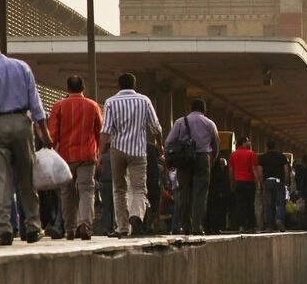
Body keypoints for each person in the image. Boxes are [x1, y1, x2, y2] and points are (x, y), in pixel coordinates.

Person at [0, 29, 51, 245]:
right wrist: (44, 130)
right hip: (21, 123)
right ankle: (33, 226)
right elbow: (35, 102)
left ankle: (4, 229)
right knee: (26, 177)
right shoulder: (21, 67)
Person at [98, 73, 163, 237]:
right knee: (139, 188)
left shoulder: (110, 102)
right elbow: (156, 128)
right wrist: (159, 145)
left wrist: (99, 153)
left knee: (119, 189)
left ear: (118, 85)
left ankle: (123, 228)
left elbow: (105, 131)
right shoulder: (144, 101)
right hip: (138, 151)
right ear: (135, 85)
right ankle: (135, 216)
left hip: (117, 149)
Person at [48, 75, 102, 240]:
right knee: (86, 190)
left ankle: (69, 228)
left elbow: (53, 134)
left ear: (68, 88)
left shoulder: (59, 106)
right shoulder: (92, 106)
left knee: (67, 192)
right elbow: (99, 131)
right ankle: (84, 224)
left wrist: (50, 152)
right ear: (83, 88)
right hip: (87, 155)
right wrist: (98, 152)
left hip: (65, 157)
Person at [165, 99, 219, 235]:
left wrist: (172, 159)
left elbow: (169, 142)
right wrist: (211, 160)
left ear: (190, 108)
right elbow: (216, 144)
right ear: (204, 110)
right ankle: (197, 226)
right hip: (202, 158)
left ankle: (186, 226)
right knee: (200, 194)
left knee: (184, 193)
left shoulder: (180, 122)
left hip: (184, 160)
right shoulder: (209, 123)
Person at [258, 140, 290, 232]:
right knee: (280, 203)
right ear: (275, 146)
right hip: (279, 181)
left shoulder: (262, 157)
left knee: (268, 204)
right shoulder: (281, 156)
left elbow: (260, 171)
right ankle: (279, 219)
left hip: (268, 181)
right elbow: (286, 169)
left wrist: (262, 183)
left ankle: (269, 226)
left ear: (266, 147)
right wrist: (286, 182)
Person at [228, 136, 259, 232]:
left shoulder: (233, 155)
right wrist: (257, 182)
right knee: (250, 204)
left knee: (240, 204)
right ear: (244, 143)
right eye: (248, 141)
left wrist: (232, 182)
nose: (249, 142)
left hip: (238, 182)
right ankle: (250, 226)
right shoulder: (251, 154)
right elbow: (254, 169)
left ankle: (241, 225)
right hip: (249, 182)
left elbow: (231, 170)